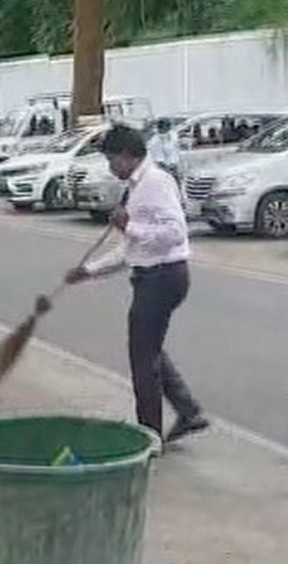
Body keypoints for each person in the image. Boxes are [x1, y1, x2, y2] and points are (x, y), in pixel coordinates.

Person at [66, 124, 209, 444]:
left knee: (142, 361)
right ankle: (188, 411)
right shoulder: (134, 186)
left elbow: (175, 233)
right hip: (150, 275)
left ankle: (149, 437)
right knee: (150, 348)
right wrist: (89, 270)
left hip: (164, 276)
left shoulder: (156, 183)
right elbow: (132, 251)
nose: (110, 166)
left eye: (112, 159)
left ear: (129, 155)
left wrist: (130, 227)